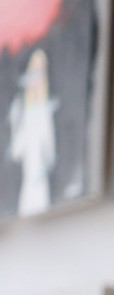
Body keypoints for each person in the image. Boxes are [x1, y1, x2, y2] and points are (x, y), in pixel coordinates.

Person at [7, 49, 57, 217]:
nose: (37, 78)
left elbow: (51, 153)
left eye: (41, 73)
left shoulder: (46, 109)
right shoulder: (20, 108)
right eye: (34, 72)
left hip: (41, 184)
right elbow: (16, 152)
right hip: (28, 183)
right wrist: (17, 124)